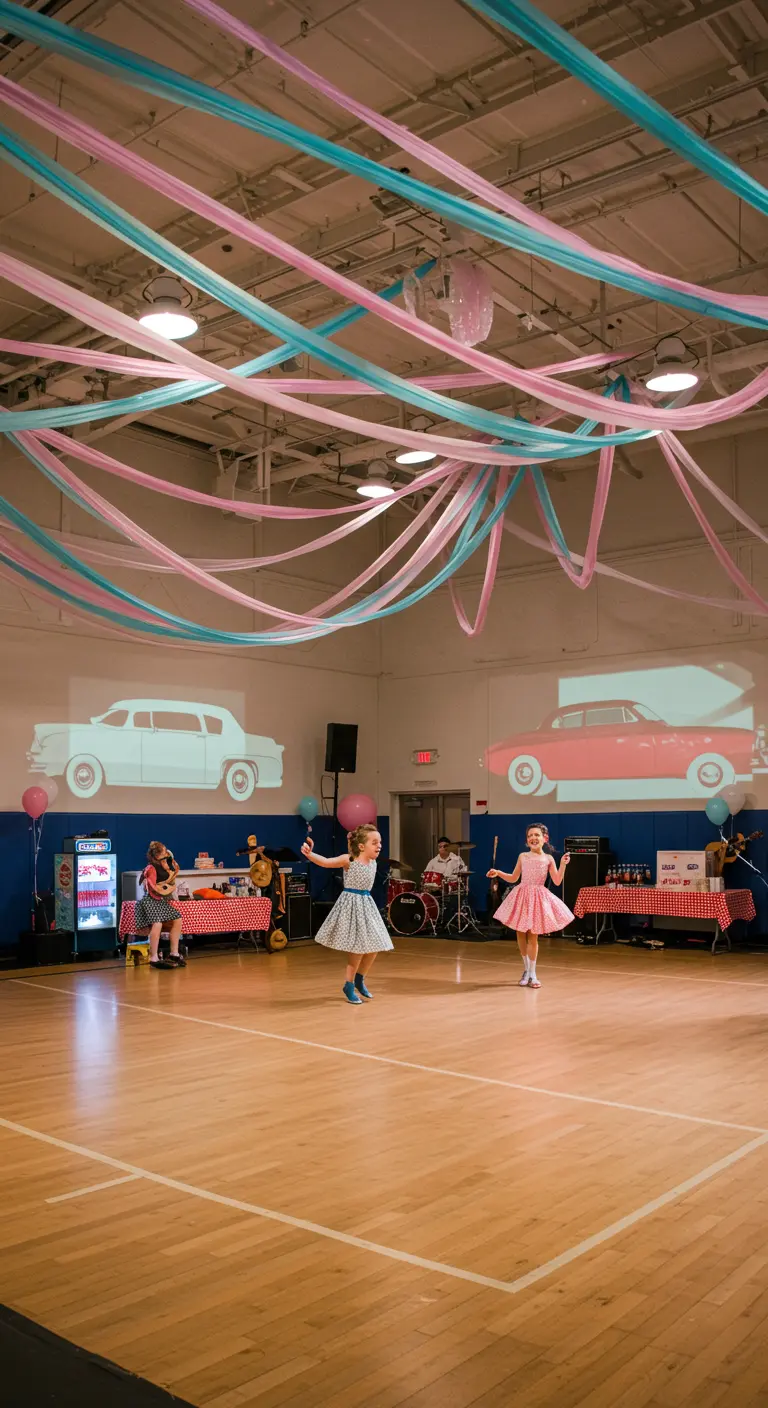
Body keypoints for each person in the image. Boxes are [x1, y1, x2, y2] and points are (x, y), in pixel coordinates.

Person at [302, 824, 393, 1005]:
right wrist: (309, 854)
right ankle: (349, 985)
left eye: (380, 842)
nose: (379, 846)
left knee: (375, 945)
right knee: (357, 949)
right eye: (374, 842)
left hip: (367, 905)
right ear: (361, 846)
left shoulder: (374, 862)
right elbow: (326, 862)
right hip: (352, 905)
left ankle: (360, 978)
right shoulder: (349, 860)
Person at [487, 824, 572, 989]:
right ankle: (526, 969)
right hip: (522, 896)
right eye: (530, 836)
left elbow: (556, 881)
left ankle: (533, 973)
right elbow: (513, 878)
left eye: (537, 835)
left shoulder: (548, 858)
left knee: (533, 935)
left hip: (538, 898)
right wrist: (498, 872)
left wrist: (562, 864)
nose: (533, 838)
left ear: (544, 838)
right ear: (527, 840)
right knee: (520, 933)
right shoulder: (523, 856)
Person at [137, 841, 186, 970]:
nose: (166, 852)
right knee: (157, 923)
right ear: (158, 854)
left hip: (160, 900)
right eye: (164, 851)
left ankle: (174, 953)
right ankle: (154, 957)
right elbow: (150, 885)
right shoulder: (151, 868)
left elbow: (171, 875)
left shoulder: (164, 865)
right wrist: (160, 889)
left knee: (177, 918)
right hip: (150, 900)